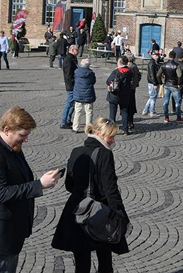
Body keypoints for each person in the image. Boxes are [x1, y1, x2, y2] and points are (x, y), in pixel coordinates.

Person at [0, 106, 61, 273]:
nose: (26, 140)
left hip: (6, 237)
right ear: (7, 129)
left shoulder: (11, 147)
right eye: (22, 135)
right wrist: (40, 184)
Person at [51, 117, 130, 273]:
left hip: (76, 209)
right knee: (105, 256)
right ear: (100, 133)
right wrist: (122, 216)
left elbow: (69, 185)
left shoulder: (76, 151)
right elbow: (110, 189)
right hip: (98, 211)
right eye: (111, 136)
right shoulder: (104, 154)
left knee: (81, 259)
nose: (113, 141)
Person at [107, 55, 140, 134]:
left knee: (112, 113)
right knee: (124, 112)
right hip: (125, 94)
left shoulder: (116, 71)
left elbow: (108, 81)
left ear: (120, 62)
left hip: (114, 95)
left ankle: (112, 130)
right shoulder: (129, 71)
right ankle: (126, 129)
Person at [157, 51, 183, 122]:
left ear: (169, 56)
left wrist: (160, 82)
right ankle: (178, 117)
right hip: (175, 85)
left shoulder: (163, 65)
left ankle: (166, 117)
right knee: (177, 102)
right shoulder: (176, 65)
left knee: (166, 102)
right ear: (175, 57)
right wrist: (179, 83)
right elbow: (179, 75)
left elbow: (158, 75)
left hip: (166, 85)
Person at [72, 59, 96, 133]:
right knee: (89, 112)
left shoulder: (76, 71)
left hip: (78, 94)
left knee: (77, 111)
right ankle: (88, 129)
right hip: (88, 94)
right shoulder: (91, 73)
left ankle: (75, 127)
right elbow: (93, 81)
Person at [60, 45, 79, 129]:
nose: (78, 51)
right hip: (71, 85)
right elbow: (68, 75)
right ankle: (64, 121)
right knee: (69, 103)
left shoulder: (73, 58)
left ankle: (68, 120)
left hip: (74, 85)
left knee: (72, 103)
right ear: (72, 50)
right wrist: (72, 85)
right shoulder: (68, 60)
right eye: (76, 50)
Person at [142, 52, 160, 117]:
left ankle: (145, 110)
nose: (157, 57)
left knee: (152, 97)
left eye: (158, 55)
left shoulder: (155, 62)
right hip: (153, 82)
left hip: (152, 82)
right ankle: (152, 112)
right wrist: (155, 83)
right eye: (155, 55)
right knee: (153, 97)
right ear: (152, 55)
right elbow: (152, 74)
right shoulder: (152, 63)